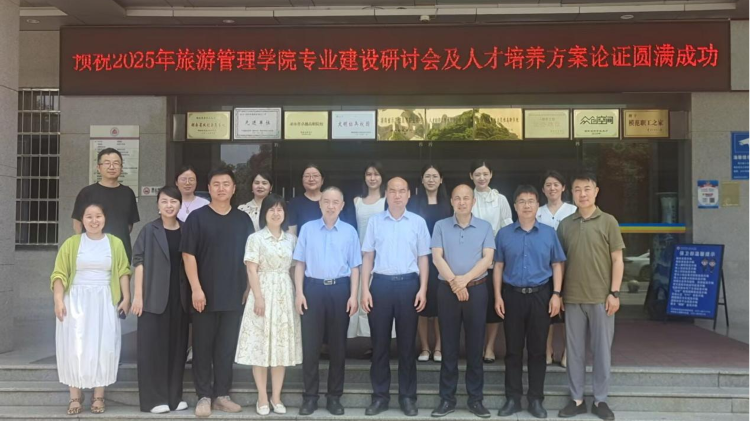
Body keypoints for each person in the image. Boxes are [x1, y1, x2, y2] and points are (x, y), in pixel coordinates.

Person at [180, 167, 254, 418]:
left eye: (226, 184)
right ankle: (203, 396)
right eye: (216, 184)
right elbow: (188, 255)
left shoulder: (243, 219)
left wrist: (248, 288)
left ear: (234, 189)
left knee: (226, 347)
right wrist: (196, 289)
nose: (221, 188)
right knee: (202, 348)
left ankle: (222, 395)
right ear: (209, 188)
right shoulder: (197, 218)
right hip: (204, 295)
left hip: (234, 294)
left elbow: (250, 258)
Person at [556, 172, 624, 421]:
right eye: (577, 189)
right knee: (574, 351)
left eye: (587, 189)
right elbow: (560, 263)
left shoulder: (608, 221)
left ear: (596, 192)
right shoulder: (565, 224)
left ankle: (600, 400)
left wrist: (614, 293)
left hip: (601, 298)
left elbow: (617, 260)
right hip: (572, 298)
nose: (582, 194)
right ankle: (576, 399)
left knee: (601, 351)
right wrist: (558, 293)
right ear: (571, 193)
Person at [51, 203, 131, 415]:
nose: (94, 221)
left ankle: (98, 395)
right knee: (74, 346)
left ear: (105, 218)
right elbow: (59, 273)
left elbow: (123, 270)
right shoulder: (72, 243)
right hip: (75, 300)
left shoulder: (115, 243)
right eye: (89, 216)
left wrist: (126, 297)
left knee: (103, 345)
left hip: (104, 299)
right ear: (82, 220)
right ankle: (75, 396)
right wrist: (58, 300)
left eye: (98, 216)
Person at [494, 185, 566, 419]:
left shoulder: (548, 233)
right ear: (515, 206)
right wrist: (497, 296)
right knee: (513, 351)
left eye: (531, 201)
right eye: (522, 201)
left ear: (537, 205)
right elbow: (498, 266)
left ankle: (536, 399)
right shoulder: (504, 234)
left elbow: (557, 264)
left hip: (540, 296)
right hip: (512, 296)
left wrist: (556, 294)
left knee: (537, 351)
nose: (526, 205)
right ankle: (513, 399)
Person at [361, 177, 430, 417]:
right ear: (386, 194)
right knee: (379, 345)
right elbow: (368, 257)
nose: (397, 195)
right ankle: (380, 397)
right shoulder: (375, 222)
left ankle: (408, 397)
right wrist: (365, 289)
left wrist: (423, 288)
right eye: (392, 191)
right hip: (380, 285)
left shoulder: (418, 222)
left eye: (402, 191)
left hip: (409, 285)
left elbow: (423, 258)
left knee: (407, 346)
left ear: (409, 194)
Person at [294, 187, 362, 416]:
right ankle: (310, 397)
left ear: (342, 205)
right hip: (312, 289)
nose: (331, 206)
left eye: (335, 202)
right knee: (310, 346)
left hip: (340, 289)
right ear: (320, 204)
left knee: (338, 347)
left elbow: (355, 267)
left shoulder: (350, 232)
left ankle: (334, 397)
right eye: (326, 201)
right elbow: (300, 263)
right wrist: (299, 292)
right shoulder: (307, 229)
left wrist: (353, 295)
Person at [430, 185, 495, 419]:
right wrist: (455, 283)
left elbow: (488, 259)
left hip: (476, 290)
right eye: (457, 198)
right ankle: (446, 399)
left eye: (466, 198)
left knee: (475, 346)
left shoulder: (485, 227)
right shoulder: (440, 226)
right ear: (452, 201)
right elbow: (437, 257)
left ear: (473, 201)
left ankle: (475, 400)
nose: (462, 202)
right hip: (447, 291)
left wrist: (464, 280)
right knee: (448, 346)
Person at [236, 194, 302, 416]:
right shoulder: (255, 238)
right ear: (264, 213)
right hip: (262, 292)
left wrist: (297, 294)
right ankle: (262, 397)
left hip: (284, 294)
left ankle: (276, 397)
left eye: (279, 209)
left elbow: (294, 269)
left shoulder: (291, 239)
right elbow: (251, 269)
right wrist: (258, 296)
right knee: (260, 345)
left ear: (285, 213)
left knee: (280, 347)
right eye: (271, 209)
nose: (276, 213)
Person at [131, 186, 190, 414]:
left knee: (177, 348)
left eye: (173, 201)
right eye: (164, 201)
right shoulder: (149, 230)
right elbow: (139, 262)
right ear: (158, 205)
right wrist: (138, 296)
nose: (169, 205)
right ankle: (153, 400)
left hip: (179, 298)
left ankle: (174, 398)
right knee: (153, 349)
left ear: (180, 205)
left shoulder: (186, 229)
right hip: (153, 297)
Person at [348, 162, 395, 354]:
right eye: (369, 174)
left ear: (382, 177)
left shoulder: (387, 200)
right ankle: (372, 344)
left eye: (376, 174)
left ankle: (381, 345)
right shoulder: (356, 201)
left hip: (382, 258)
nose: (372, 178)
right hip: (362, 257)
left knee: (382, 302)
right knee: (365, 300)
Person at [469, 160, 513, 364]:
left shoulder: (500, 199)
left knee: (494, 304)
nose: (482, 178)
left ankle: (490, 347)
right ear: (471, 176)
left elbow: (507, 227)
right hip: (471, 261)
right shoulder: (466, 197)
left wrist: (502, 255)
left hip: (495, 259)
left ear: (491, 175)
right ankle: (476, 345)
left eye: (485, 174)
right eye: (477, 174)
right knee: (474, 306)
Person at [408, 164, 452, 363]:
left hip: (444, 261)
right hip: (421, 260)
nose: (431, 180)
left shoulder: (449, 203)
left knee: (442, 306)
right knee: (422, 306)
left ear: (441, 179)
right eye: (427, 176)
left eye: (435, 176)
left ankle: (439, 347)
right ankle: (425, 347)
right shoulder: (413, 203)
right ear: (422, 179)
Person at [536, 170, 577, 367]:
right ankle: (547, 350)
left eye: (556, 184)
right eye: (548, 185)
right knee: (547, 312)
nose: (552, 188)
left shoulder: (573, 210)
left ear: (563, 188)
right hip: (544, 269)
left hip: (571, 266)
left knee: (570, 311)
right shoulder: (537, 212)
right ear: (543, 190)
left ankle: (568, 352)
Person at [72, 148, 140, 262]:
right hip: (92, 253)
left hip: (121, 253)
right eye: (107, 163)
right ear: (98, 168)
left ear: (121, 167)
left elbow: (128, 226)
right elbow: (77, 224)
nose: (111, 167)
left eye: (116, 163)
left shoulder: (128, 193)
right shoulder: (87, 192)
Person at [288, 164, 325, 236]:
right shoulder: (294, 203)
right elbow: (292, 233)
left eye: (315, 176)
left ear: (322, 180)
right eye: (307, 176)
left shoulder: (330, 201)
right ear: (302, 180)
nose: (311, 179)